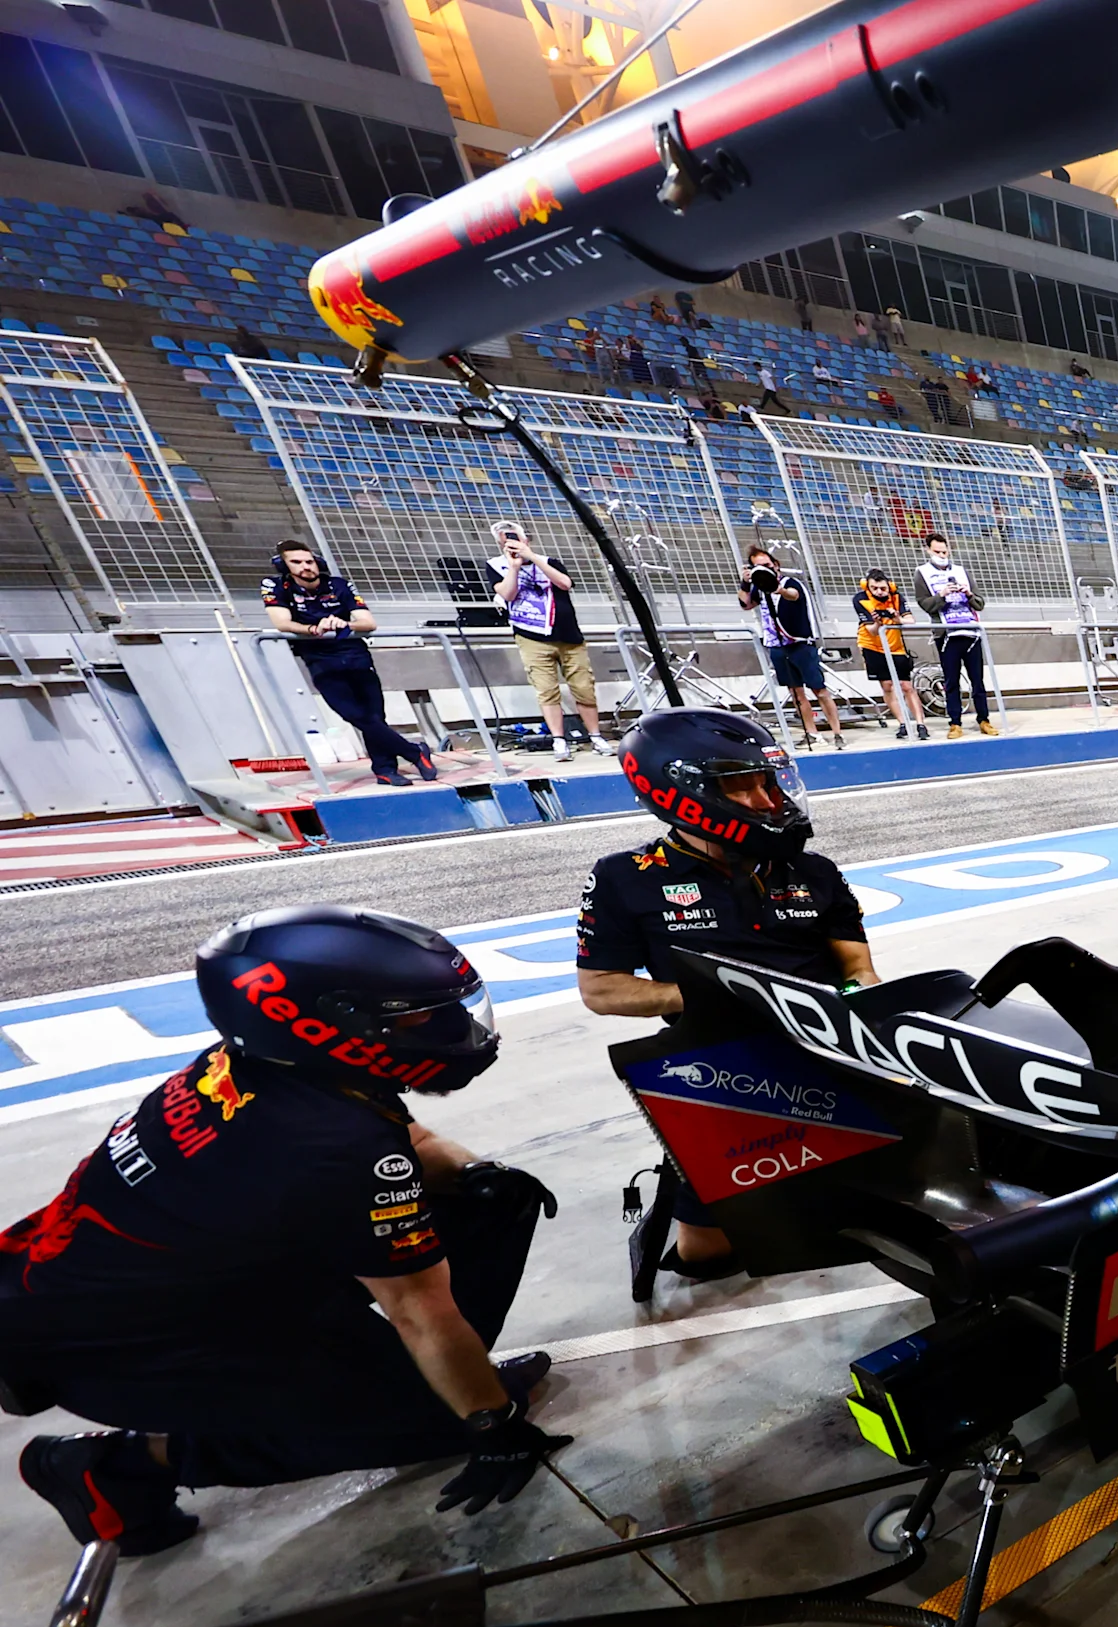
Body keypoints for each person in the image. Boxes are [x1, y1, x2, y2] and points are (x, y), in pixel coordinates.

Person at [0, 906, 568, 1556]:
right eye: (416, 1016)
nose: (451, 1028)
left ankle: (427, 1384)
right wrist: (493, 1425)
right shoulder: (330, 1146)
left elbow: (405, 1137)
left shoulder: (267, 1068)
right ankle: (114, 1466)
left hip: (155, 1288)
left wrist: (476, 1174)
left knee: (491, 1201)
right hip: (120, 1349)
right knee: (443, 1423)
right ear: (325, 1025)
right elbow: (417, 1309)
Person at [576, 710, 877, 1289]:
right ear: (680, 792)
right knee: (706, 1257)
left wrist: (856, 1007)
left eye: (769, 782)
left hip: (828, 1044)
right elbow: (600, 988)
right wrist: (717, 999)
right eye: (742, 786)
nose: (767, 801)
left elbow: (858, 969)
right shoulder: (625, 877)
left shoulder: (814, 870)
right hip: (720, 1064)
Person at [261, 542, 437, 785]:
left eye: (309, 561)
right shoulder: (275, 586)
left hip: (356, 655)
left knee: (375, 716)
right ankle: (414, 752)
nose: (305, 567)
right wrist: (314, 628)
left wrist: (345, 624)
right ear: (284, 566)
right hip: (320, 660)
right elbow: (282, 623)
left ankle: (385, 770)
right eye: (296, 562)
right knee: (354, 715)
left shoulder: (339, 585)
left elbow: (368, 622)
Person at [489, 520, 600, 757]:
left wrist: (532, 557)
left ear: (526, 539)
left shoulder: (549, 561)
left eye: (516, 538)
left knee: (583, 687)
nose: (512, 543)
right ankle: (559, 739)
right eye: (505, 541)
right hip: (532, 637)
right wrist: (514, 567)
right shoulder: (496, 566)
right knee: (546, 689)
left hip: (568, 635)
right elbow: (507, 594)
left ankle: (596, 736)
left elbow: (565, 583)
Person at [738, 545, 840, 749]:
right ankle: (812, 733)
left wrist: (779, 590)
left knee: (819, 690)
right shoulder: (759, 587)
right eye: (759, 567)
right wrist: (745, 582)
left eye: (768, 565)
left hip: (800, 643)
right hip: (777, 645)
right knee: (795, 692)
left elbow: (793, 595)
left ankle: (837, 732)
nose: (765, 570)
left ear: (776, 565)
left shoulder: (790, 583)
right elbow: (746, 604)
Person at [917, 533, 995, 737]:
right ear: (928, 550)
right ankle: (955, 722)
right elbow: (925, 604)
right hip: (946, 635)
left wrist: (968, 594)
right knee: (951, 681)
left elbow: (980, 603)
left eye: (944, 551)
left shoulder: (961, 571)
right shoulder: (922, 573)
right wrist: (942, 595)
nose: (942, 555)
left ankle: (984, 719)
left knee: (977, 680)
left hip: (970, 633)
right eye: (937, 552)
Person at [855, 567, 930, 740]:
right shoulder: (860, 599)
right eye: (874, 588)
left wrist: (898, 619)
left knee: (906, 686)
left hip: (896, 647)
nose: (879, 592)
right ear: (868, 587)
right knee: (887, 685)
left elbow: (910, 620)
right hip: (872, 646)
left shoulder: (896, 597)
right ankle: (903, 723)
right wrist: (877, 622)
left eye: (883, 588)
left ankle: (921, 724)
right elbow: (872, 631)